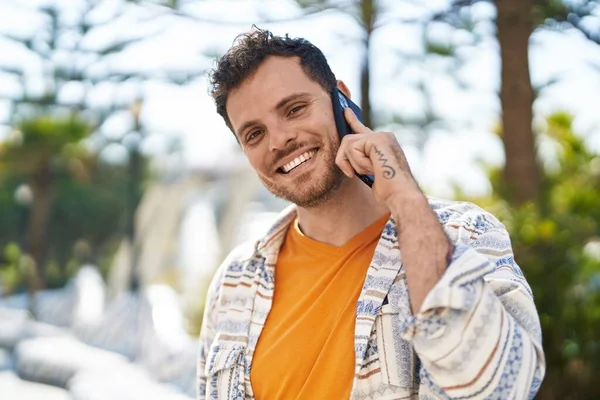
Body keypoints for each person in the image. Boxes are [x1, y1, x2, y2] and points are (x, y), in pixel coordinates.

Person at [197, 28, 545, 400]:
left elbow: (499, 387)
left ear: (341, 99)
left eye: (295, 109)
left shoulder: (465, 234)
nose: (279, 140)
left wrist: (405, 196)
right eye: (254, 134)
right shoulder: (235, 279)